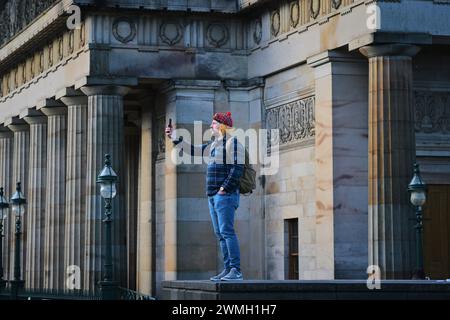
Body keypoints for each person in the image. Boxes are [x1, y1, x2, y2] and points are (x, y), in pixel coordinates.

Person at [165, 112, 245, 281]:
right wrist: (174, 137)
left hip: (225, 196)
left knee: (227, 232)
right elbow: (193, 150)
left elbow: (238, 168)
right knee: (220, 234)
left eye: (214, 123)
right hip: (213, 196)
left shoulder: (232, 143)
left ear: (222, 126)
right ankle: (228, 269)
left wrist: (224, 188)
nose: (211, 126)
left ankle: (236, 271)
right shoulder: (213, 144)